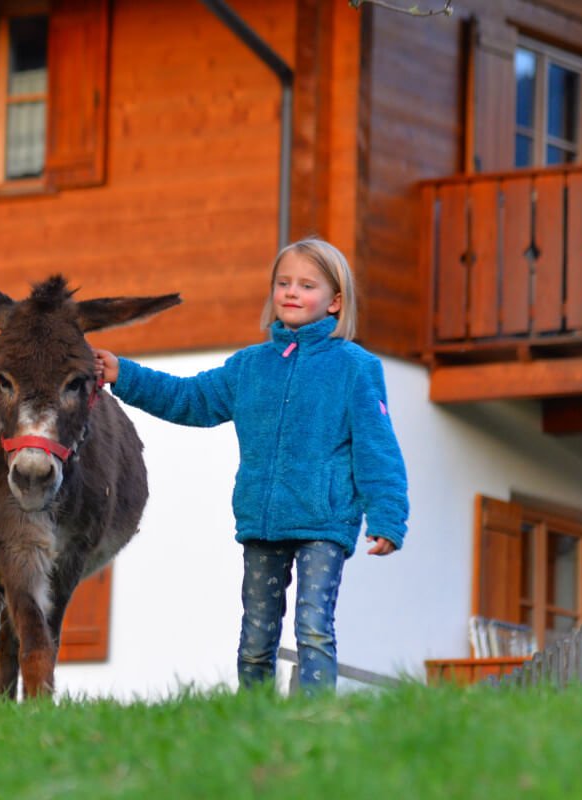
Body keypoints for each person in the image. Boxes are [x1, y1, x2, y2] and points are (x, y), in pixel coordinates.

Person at [94, 235, 408, 695]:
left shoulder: (355, 368)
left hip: (325, 521)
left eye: (307, 285)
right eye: (283, 283)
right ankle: (252, 719)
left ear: (335, 301)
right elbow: (190, 399)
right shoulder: (249, 366)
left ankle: (313, 717)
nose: (292, 293)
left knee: (313, 628)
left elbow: (377, 447)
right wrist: (126, 373)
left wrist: (387, 517)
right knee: (256, 638)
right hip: (263, 521)